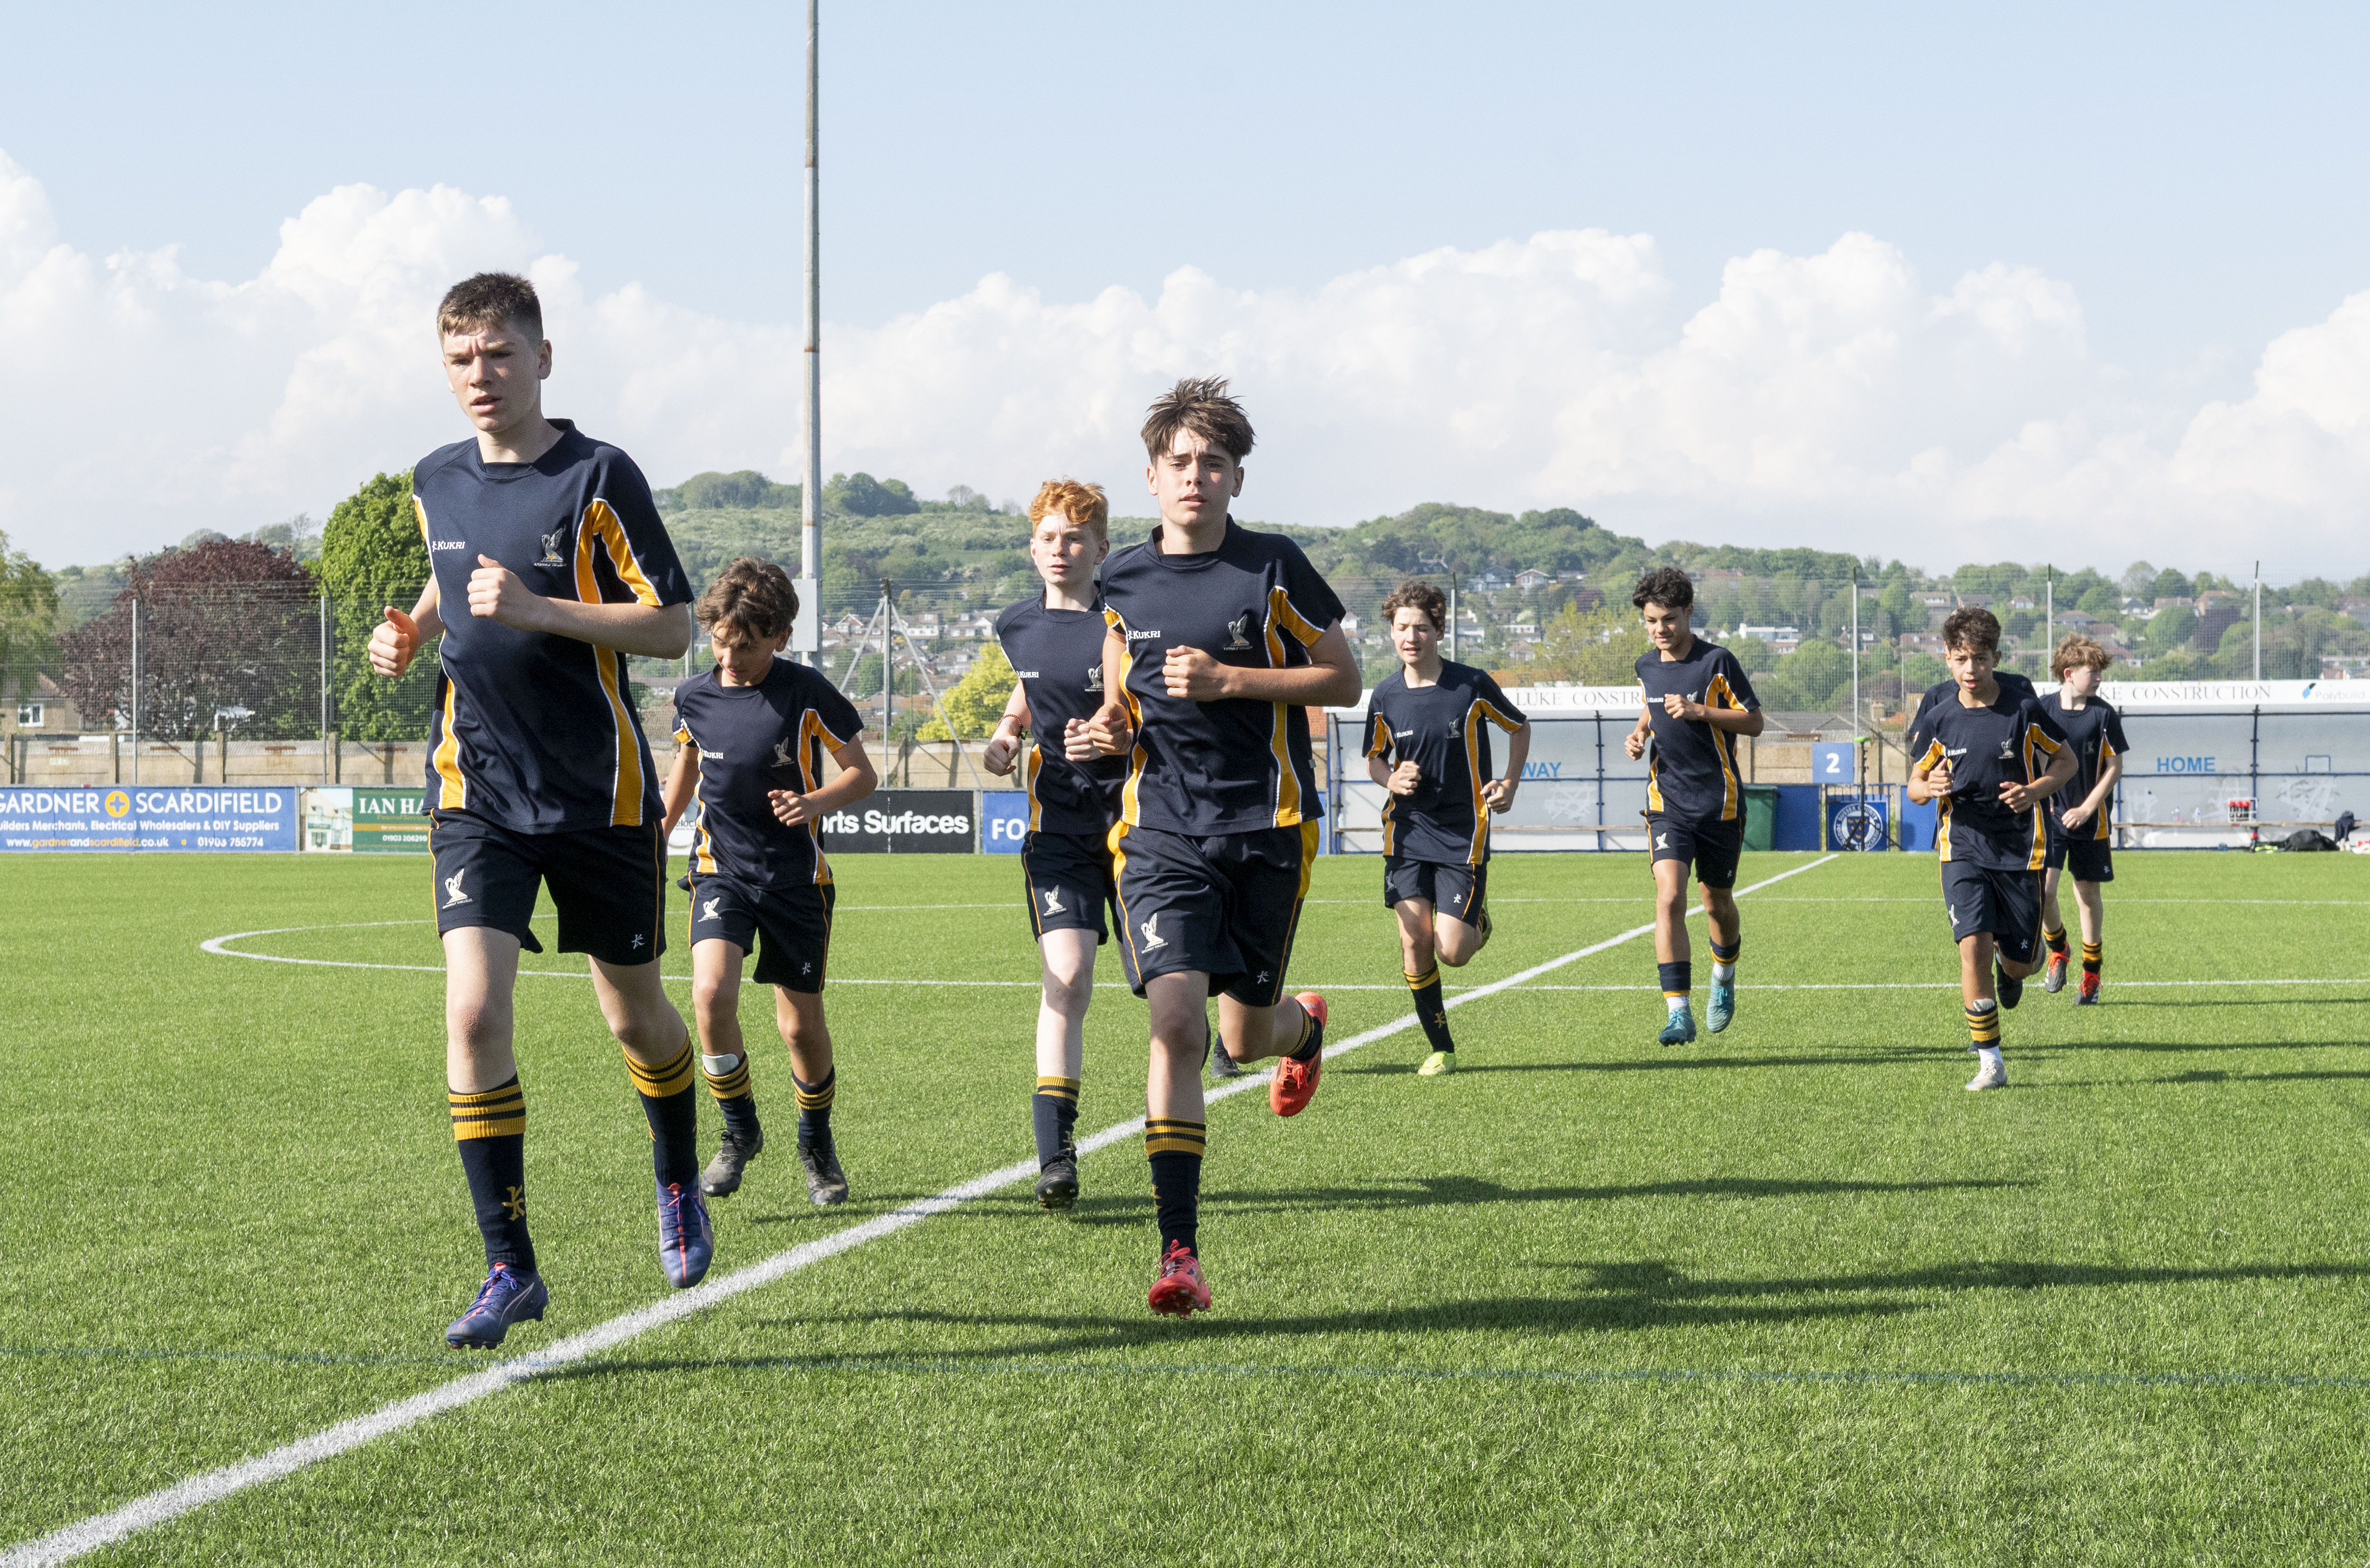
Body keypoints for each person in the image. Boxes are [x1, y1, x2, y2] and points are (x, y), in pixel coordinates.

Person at [368, 272, 702, 1350]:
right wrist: (414, 632)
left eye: (500, 354)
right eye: (462, 358)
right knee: (471, 1014)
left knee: (634, 1014)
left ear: (543, 360)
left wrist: (535, 609)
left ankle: (676, 1172)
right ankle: (508, 1264)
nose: (481, 375)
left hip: (599, 795)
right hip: (477, 789)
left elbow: (674, 628)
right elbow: (447, 570)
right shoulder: (432, 479)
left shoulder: (599, 474)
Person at [1082, 377, 1361, 1316]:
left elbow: (1343, 680)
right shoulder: (1119, 577)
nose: (1194, 476)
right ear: (1151, 477)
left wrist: (1229, 679)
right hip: (1158, 830)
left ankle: (1303, 1027)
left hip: (1269, 827)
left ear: (1236, 477)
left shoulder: (1271, 568)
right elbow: (1118, 700)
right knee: (1175, 1025)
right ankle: (1179, 1251)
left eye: (1212, 461)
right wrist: (1104, 731)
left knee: (1243, 1033)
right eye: (1178, 462)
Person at [661, 558, 878, 1208]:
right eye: (720, 643)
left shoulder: (806, 692)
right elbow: (686, 767)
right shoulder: (693, 696)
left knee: (799, 1027)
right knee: (709, 994)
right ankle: (739, 1131)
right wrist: (658, 828)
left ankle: (815, 1142)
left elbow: (861, 774)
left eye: (746, 646)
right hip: (718, 871)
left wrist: (814, 803)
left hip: (795, 881)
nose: (729, 658)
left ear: (780, 638)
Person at [981, 479, 1129, 1210]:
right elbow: (1031, 689)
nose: (1060, 549)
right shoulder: (1015, 626)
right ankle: (1056, 1157)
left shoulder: (1126, 620)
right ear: (1031, 547)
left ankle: (1260, 1028)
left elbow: (1141, 709)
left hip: (1144, 829)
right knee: (1065, 980)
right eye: (1047, 537)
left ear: (1101, 548)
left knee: (1169, 990)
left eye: (1075, 537)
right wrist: (1007, 736)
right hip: (1057, 834)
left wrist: (1113, 730)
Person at [1905, 607, 2080, 1091]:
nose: (1970, 670)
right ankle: (1991, 1061)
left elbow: (2065, 762)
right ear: (1947, 659)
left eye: (1979, 659)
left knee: (2018, 963)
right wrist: (1931, 786)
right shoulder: (1939, 719)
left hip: (2020, 849)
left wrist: (2034, 791)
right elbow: (1914, 786)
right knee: (1972, 949)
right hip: (1961, 846)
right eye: (1961, 659)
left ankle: (2019, 965)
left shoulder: (2023, 710)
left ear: (1996, 658)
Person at [1361, 579, 1530, 1075]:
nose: (1411, 636)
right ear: (1391, 632)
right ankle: (1442, 1048)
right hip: (1407, 832)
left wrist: (1510, 784)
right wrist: (1391, 778)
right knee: (1414, 938)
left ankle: (1476, 923)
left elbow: (1518, 727)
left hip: (1463, 833)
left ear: (1439, 631)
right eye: (1402, 627)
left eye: (1422, 628)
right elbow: (1373, 757)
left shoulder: (1470, 685)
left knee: (1452, 951)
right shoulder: (1385, 694)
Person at [1620, 567, 1765, 1045]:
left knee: (1716, 903)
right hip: (1668, 803)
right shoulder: (1646, 666)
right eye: (1651, 621)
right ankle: (1678, 1012)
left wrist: (1702, 712)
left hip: (1719, 804)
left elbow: (1756, 722)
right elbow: (1652, 700)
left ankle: (1724, 976)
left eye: (1669, 619)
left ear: (1688, 614)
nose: (1660, 629)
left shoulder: (1717, 662)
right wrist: (1641, 732)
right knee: (1669, 896)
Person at [2038, 633, 2127, 1004]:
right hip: (2051, 817)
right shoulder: (2042, 710)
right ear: (2069, 673)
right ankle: (2058, 949)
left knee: (2087, 895)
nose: (2100, 679)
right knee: (2043, 892)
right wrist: (2044, 797)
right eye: (2094, 673)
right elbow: (2036, 759)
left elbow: (2114, 767)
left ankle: (2091, 977)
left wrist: (2088, 807)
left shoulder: (2103, 714)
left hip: (2091, 821)